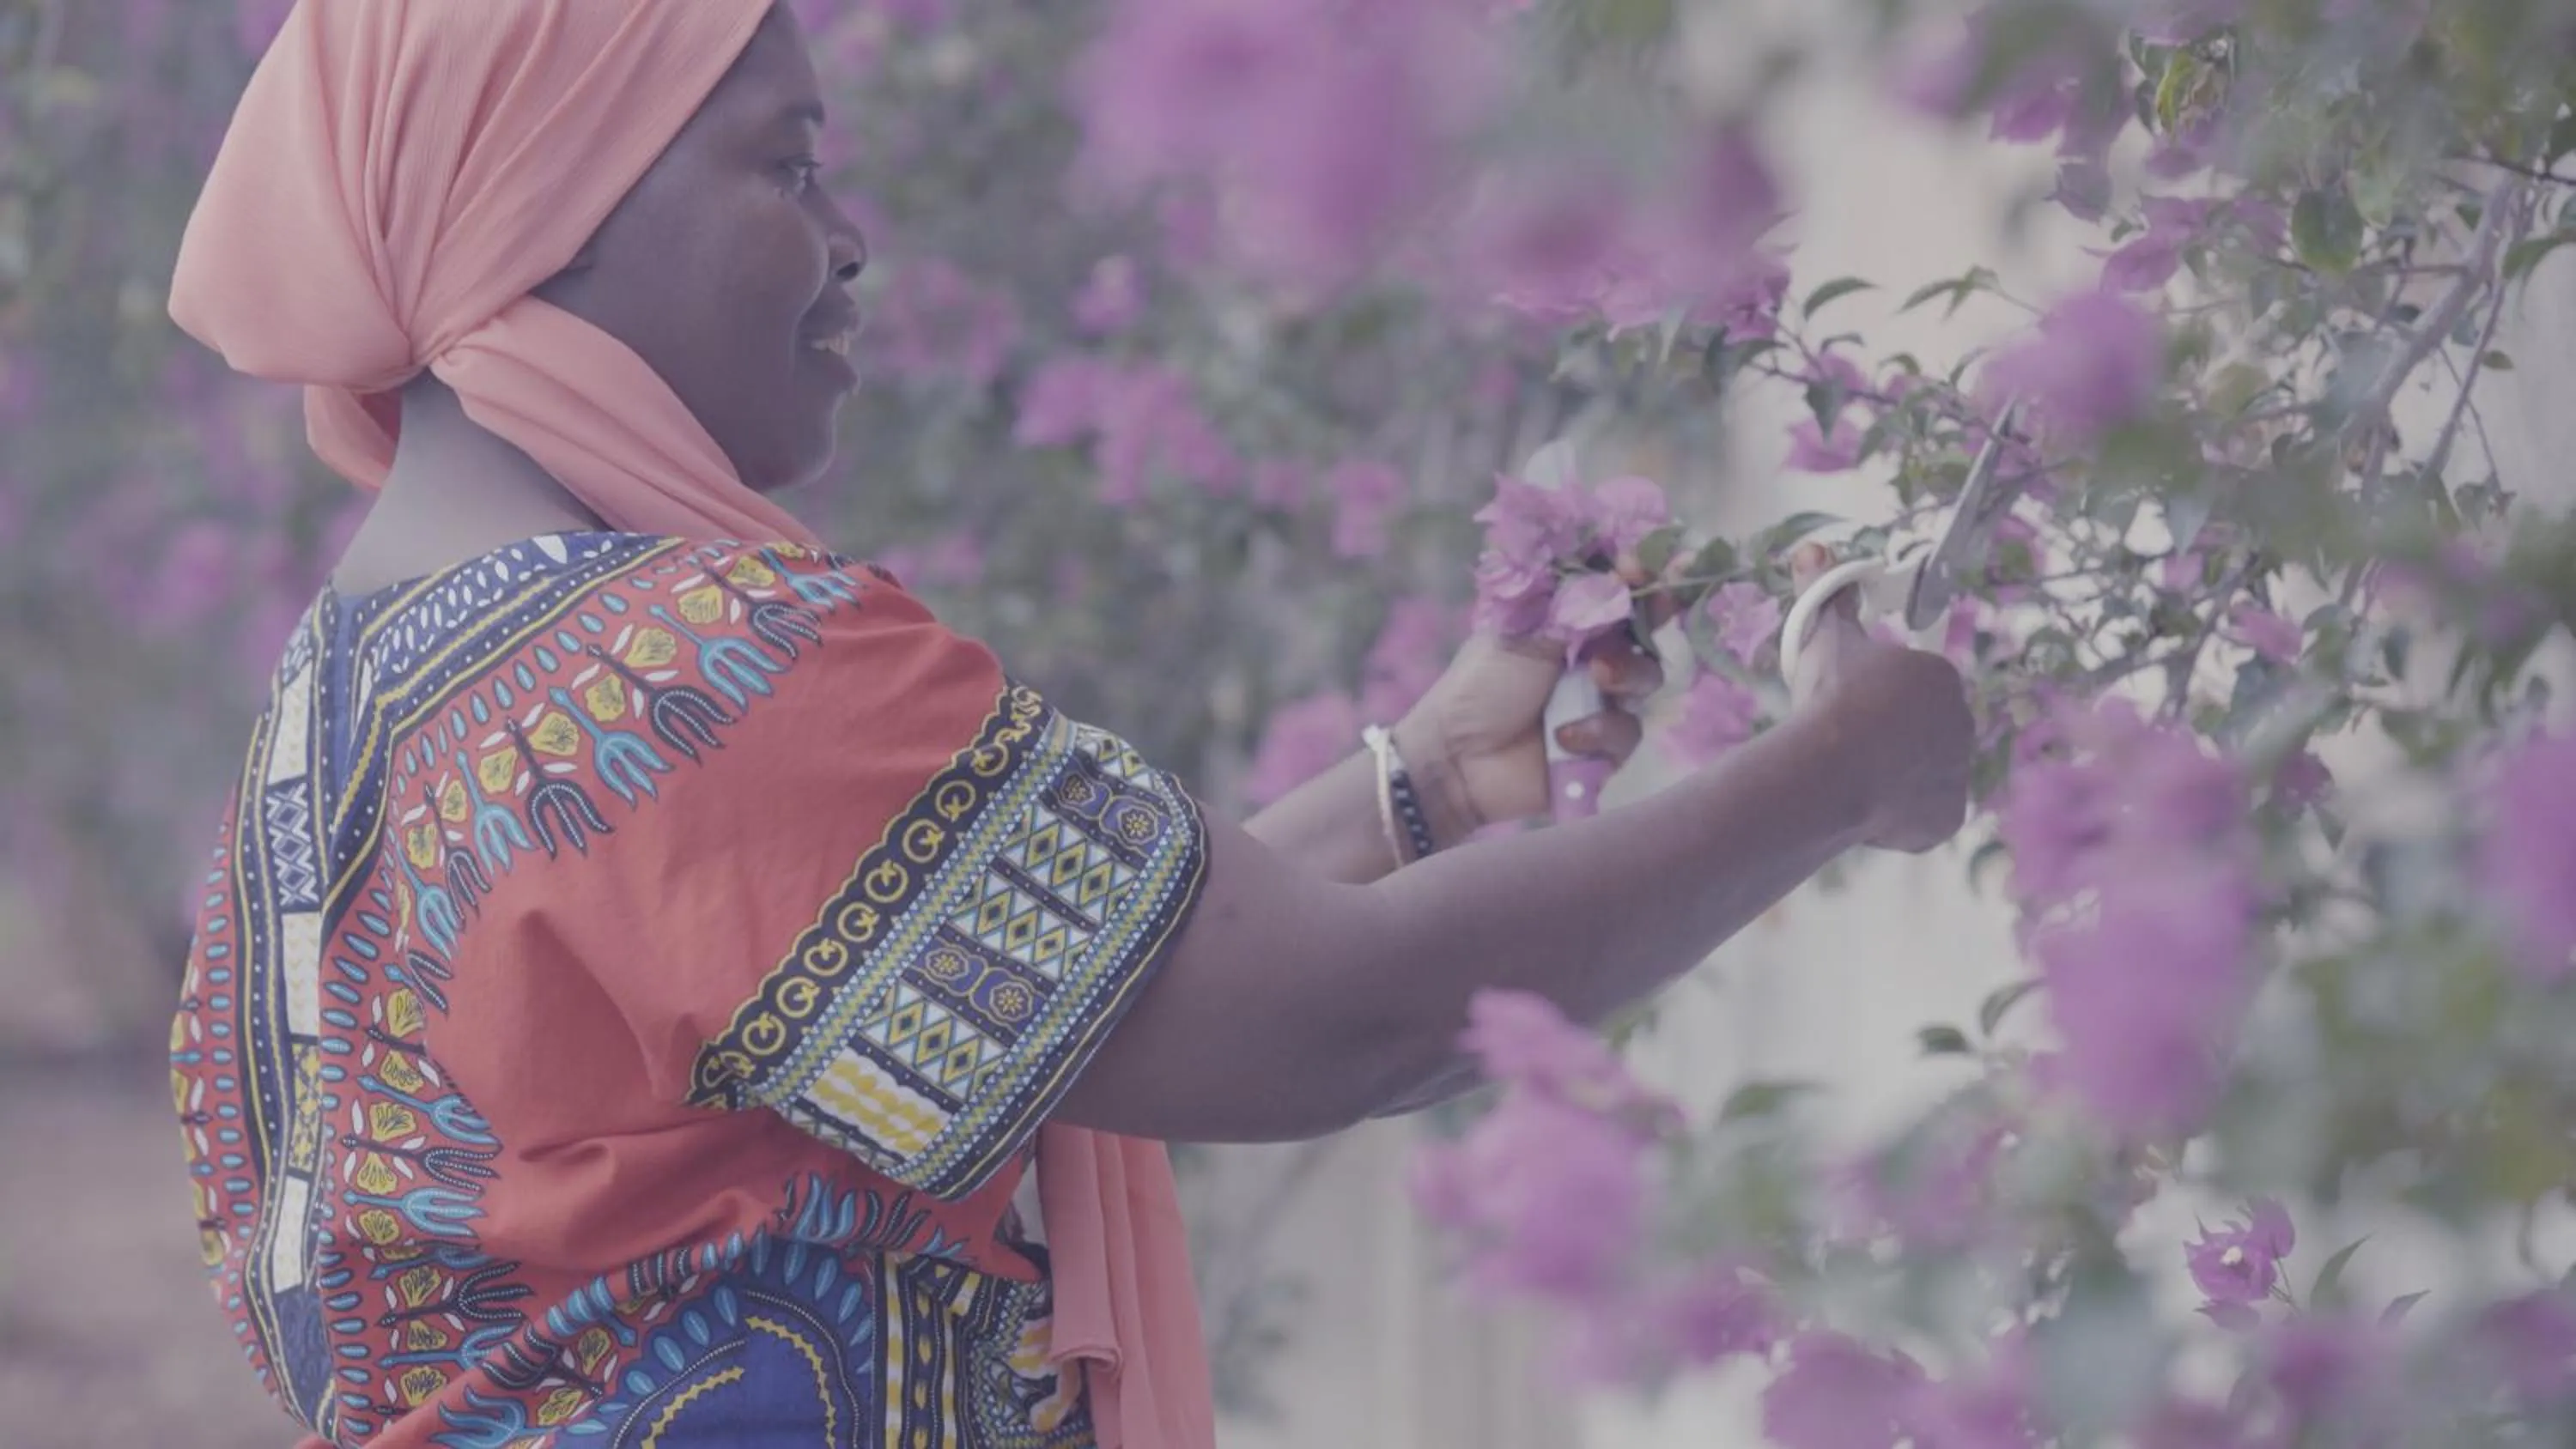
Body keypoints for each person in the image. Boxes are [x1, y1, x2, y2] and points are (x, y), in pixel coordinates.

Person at [161, 3, 1974, 1447]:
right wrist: (1844, 768)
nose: (850, 240)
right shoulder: (693, 673)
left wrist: (1419, 783)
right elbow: (1347, 1020)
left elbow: (1048, 989)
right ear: (541, 199)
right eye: (785, 164)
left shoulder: (336, 714)